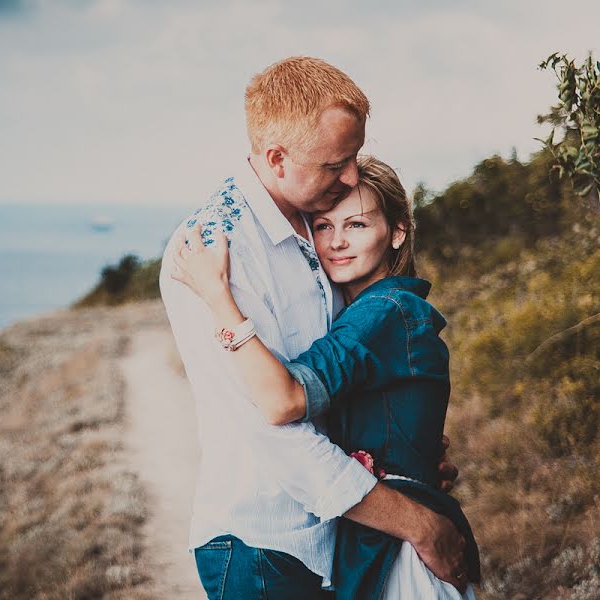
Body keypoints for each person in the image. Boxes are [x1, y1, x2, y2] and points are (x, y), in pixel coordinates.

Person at [158, 56, 467, 599]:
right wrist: (414, 519)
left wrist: (405, 451)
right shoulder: (216, 249)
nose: (351, 177)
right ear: (277, 159)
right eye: (336, 164)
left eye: (353, 159)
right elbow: (276, 420)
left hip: (338, 535)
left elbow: (353, 376)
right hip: (264, 544)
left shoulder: (313, 214)